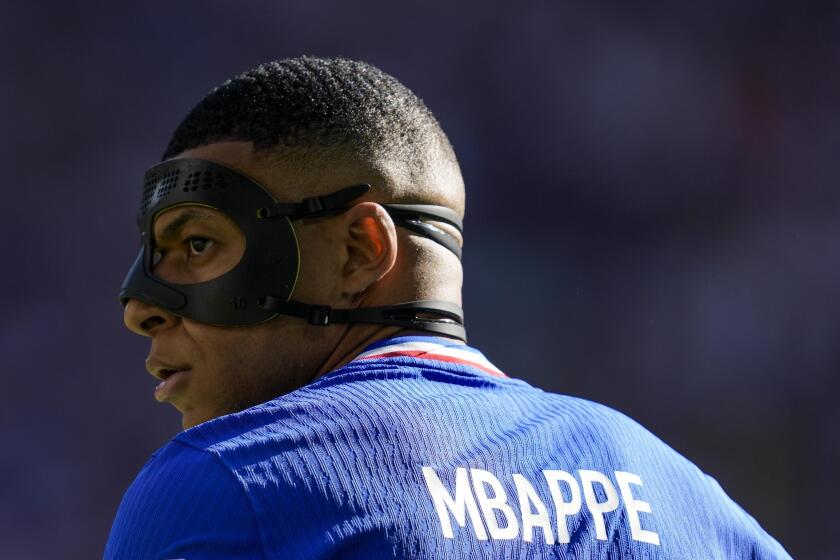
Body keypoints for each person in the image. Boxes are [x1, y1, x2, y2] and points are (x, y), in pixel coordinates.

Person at [105, 57, 791, 559]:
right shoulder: (666, 486)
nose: (142, 306)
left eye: (197, 243)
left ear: (359, 251)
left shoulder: (225, 486)